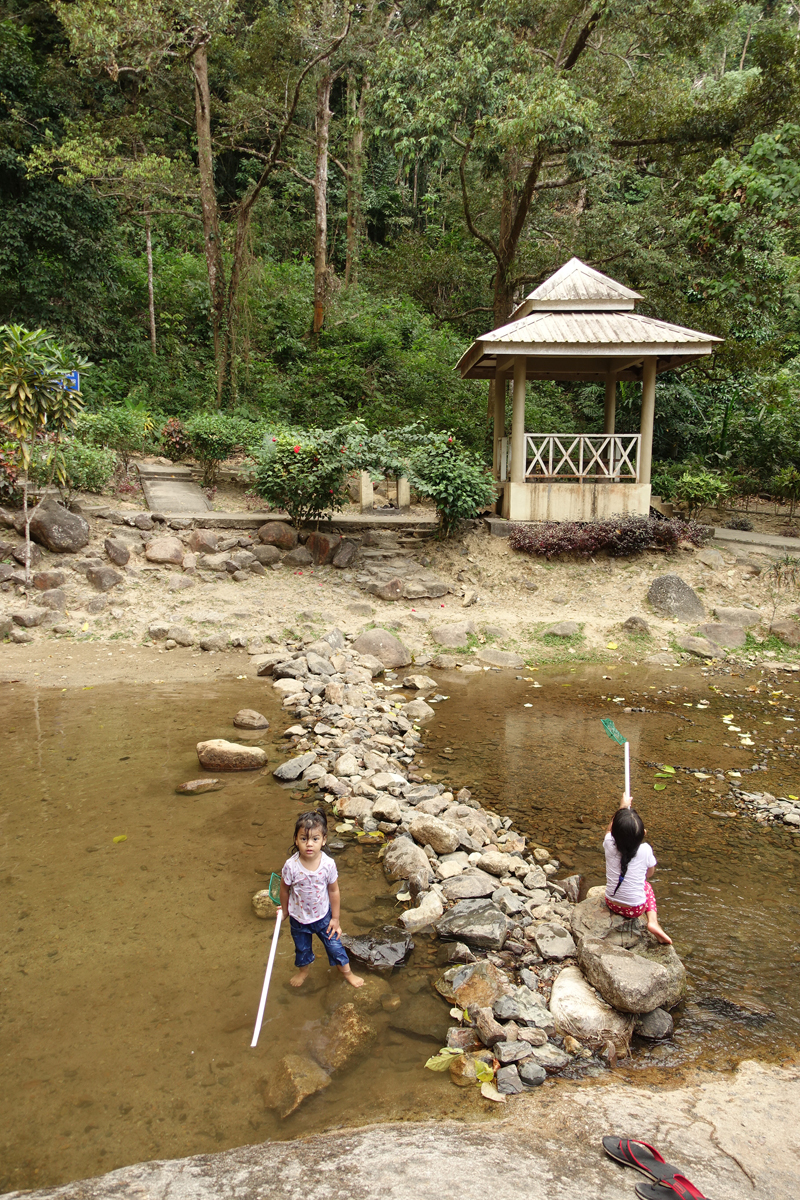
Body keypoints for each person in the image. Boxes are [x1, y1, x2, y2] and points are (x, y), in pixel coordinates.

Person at [280, 809, 364, 988]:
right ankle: (303, 972)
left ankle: (348, 973)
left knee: (335, 946)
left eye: (315, 839)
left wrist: (335, 919)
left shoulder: (328, 864)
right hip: (298, 918)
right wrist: (285, 911)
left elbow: (334, 891)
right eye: (304, 839)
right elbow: (284, 889)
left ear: (324, 840)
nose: (309, 844)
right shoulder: (291, 866)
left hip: (323, 917)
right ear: (296, 839)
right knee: (302, 949)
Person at [603, 794, 672, 944]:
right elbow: (650, 874)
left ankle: (651, 921)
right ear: (643, 834)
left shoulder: (608, 843)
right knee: (647, 886)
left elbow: (609, 830)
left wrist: (622, 807)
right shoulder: (646, 849)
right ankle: (653, 921)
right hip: (635, 909)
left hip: (611, 902)